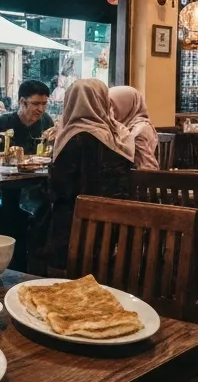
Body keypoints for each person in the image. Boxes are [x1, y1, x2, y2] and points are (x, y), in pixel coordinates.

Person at [40, 79, 135, 271]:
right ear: (101, 101)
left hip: (71, 231)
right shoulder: (116, 136)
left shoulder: (72, 137)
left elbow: (59, 189)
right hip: (112, 228)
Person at [0, 80, 54, 153]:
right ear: (22, 102)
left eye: (44, 104)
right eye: (36, 104)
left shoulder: (46, 121)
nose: (41, 109)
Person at [107, 85, 160, 171]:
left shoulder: (141, 129)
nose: (109, 111)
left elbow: (147, 169)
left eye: (112, 106)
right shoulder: (121, 125)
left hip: (140, 180)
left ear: (124, 105)